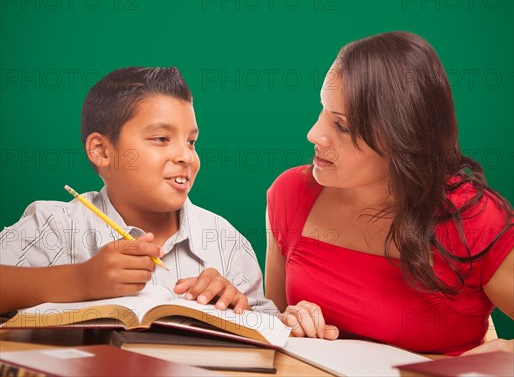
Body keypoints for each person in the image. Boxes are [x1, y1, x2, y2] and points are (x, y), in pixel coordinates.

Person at [265, 32, 513, 355]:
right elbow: (272, 329)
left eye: (341, 127)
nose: (314, 133)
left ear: (401, 141)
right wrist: (288, 322)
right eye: (323, 110)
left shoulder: (474, 220)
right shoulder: (291, 194)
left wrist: (503, 355)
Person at [0, 67, 276, 316]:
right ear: (101, 151)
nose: (186, 156)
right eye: (161, 139)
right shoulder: (55, 225)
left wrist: (235, 305)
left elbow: (269, 328)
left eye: (191, 142)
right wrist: (79, 280)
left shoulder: (227, 243)